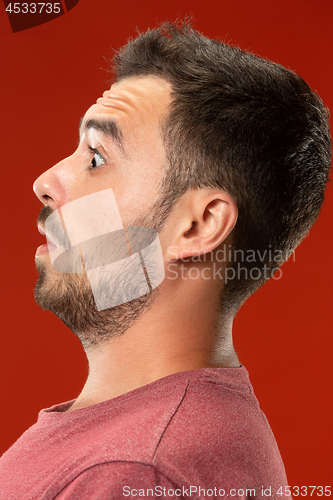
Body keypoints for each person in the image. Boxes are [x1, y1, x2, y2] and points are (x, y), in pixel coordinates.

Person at [0, 21, 331, 499]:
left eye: (96, 157)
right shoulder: (153, 445)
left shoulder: (137, 470)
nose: (45, 181)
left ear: (198, 226)